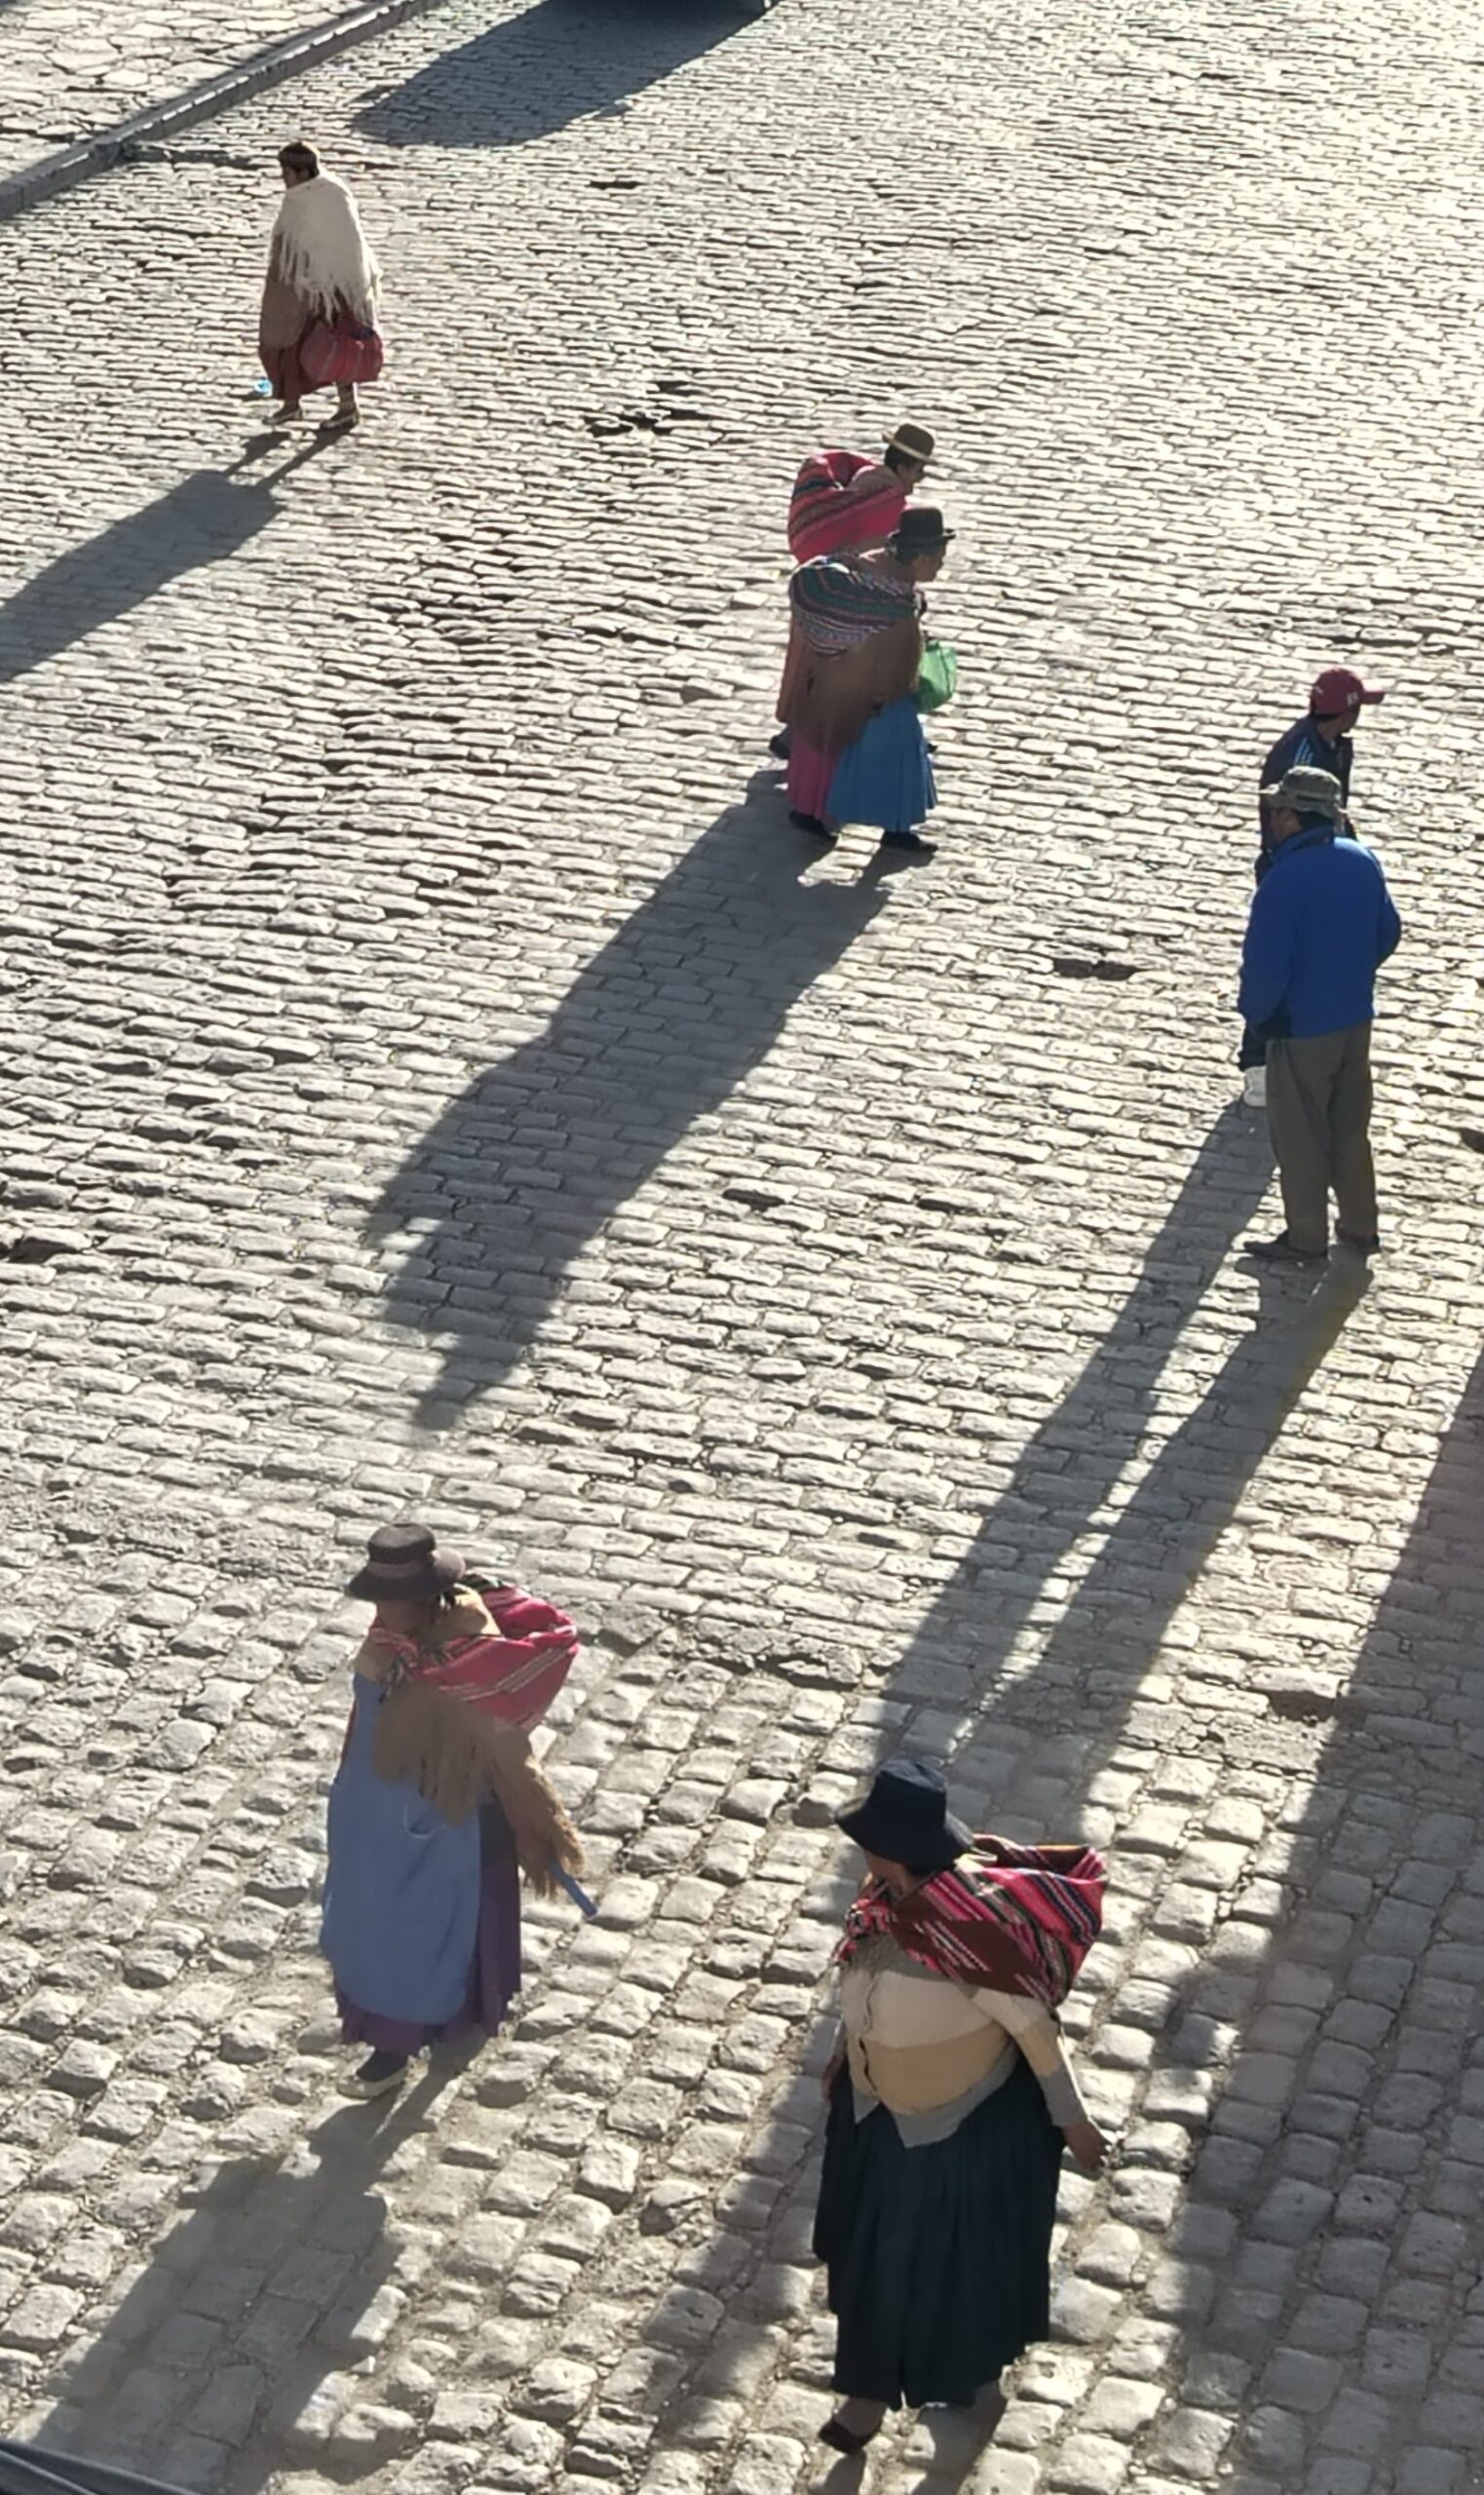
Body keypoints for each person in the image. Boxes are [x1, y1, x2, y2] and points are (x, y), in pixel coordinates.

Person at [812, 1758, 1108, 2456]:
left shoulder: (970, 1933)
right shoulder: (878, 1902)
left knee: (943, 2264)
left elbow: (1034, 2029)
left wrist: (1073, 2120)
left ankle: (935, 2378)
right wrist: (840, 2055)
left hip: (949, 2126)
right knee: (870, 2262)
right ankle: (868, 2392)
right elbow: (858, 1988)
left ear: (894, 1848)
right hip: (872, 2115)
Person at [322, 1523, 585, 2097]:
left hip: (453, 1817)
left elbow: (507, 1718)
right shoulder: (389, 1638)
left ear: (428, 1594)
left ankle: (396, 2044)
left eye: (397, 1600)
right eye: (380, 1600)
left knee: (435, 1926)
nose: (386, 1612)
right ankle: (416, 2024)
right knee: (373, 1921)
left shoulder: (473, 1646)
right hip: (374, 1815)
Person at [1238, 764, 1401, 1265]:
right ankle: (1360, 1228)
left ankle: (1306, 1237)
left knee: (1301, 1134)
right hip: (1355, 1017)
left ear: (1291, 816)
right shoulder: (1361, 858)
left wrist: (1258, 1018)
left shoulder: (1285, 879)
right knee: (1350, 1128)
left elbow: (1265, 965)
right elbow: (1388, 930)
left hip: (1303, 1026)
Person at [1240, 667, 1387, 1106]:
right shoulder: (1300, 754)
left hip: (1323, 861)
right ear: (1347, 711)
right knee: (1280, 958)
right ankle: (1257, 1062)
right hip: (1294, 867)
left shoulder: (1335, 747)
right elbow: (1281, 822)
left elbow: (1337, 811)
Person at [782, 508, 953, 858]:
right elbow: (896, 664)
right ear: (920, 557)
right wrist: (889, 696)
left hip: (830, 681)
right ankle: (896, 829)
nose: (939, 566)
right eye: (938, 558)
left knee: (822, 747)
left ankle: (808, 811)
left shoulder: (871, 565)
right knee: (900, 757)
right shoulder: (900, 607)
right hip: (874, 695)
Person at [771, 426, 935, 759]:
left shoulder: (866, 480)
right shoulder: (887, 499)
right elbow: (874, 553)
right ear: (904, 467)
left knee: (815, 668)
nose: (918, 480)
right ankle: (801, 738)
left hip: (821, 588)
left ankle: (798, 735)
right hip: (847, 601)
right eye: (918, 471)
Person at [259, 140, 381, 434]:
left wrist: (324, 283)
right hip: (293, 284)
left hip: (331, 286)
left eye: (287, 172)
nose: (283, 178)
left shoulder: (331, 196)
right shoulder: (298, 196)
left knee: (335, 344)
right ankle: (291, 405)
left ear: (302, 172)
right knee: (284, 342)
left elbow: (345, 244)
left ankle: (348, 408)